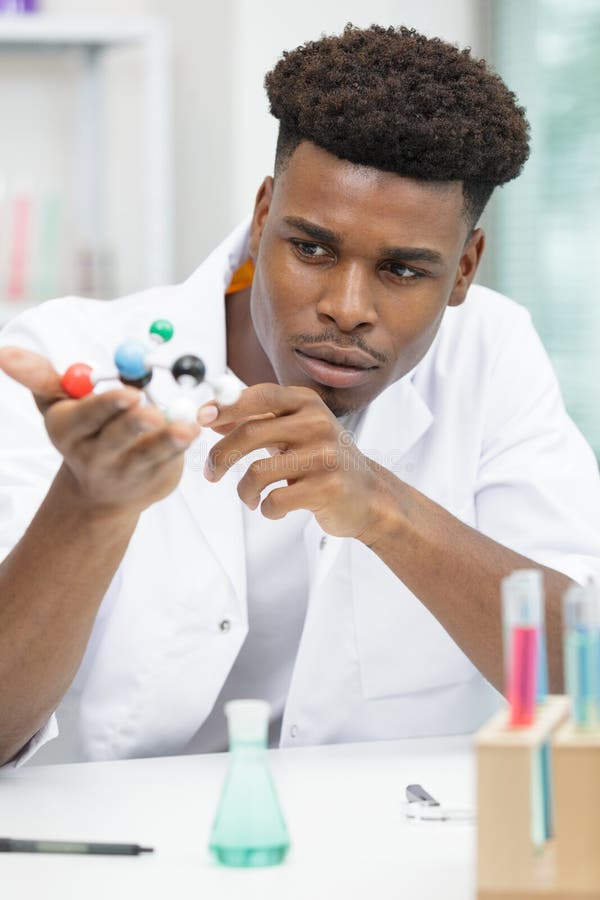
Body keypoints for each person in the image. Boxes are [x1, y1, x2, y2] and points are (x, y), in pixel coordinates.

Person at [0, 24, 599, 767]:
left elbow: (583, 676)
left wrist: (385, 509)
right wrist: (89, 506)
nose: (347, 308)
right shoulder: (76, 359)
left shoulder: (492, 353)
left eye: (403, 271)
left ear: (466, 270)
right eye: (312, 248)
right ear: (262, 218)